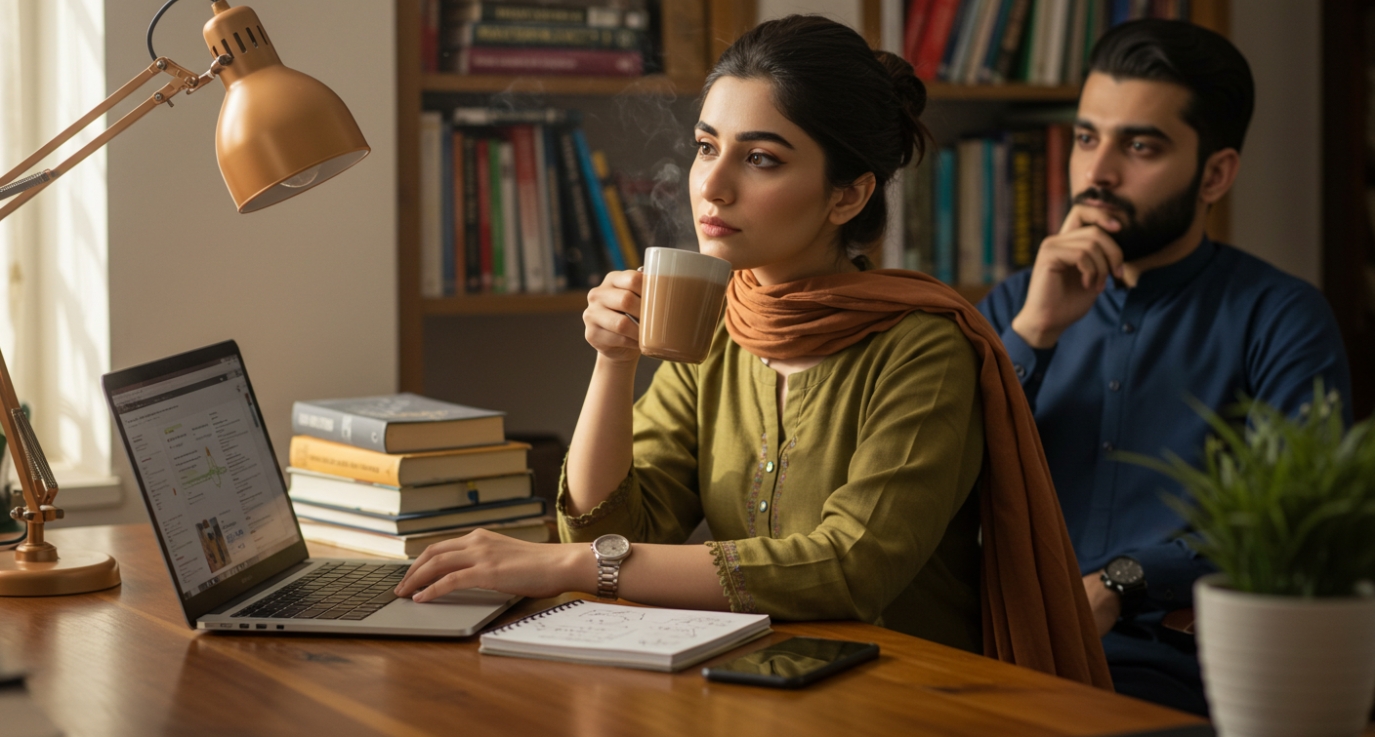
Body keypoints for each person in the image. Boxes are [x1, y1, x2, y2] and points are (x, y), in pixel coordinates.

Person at [396, 15, 1110, 688]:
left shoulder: (922, 347)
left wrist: (564, 562)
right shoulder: (719, 321)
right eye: (707, 146)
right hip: (757, 679)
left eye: (760, 158)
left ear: (847, 195)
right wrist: (613, 362)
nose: (712, 183)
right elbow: (619, 530)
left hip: (905, 692)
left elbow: (848, 567)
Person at [978, 19, 1352, 715]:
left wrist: (1123, 579)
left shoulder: (1281, 318)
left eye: (1139, 145)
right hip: (992, 654)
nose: (1096, 173)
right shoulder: (1012, 305)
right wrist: (1034, 333)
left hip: (1175, 671)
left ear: (1215, 173)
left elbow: (1294, 522)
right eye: (1087, 138)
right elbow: (942, 483)